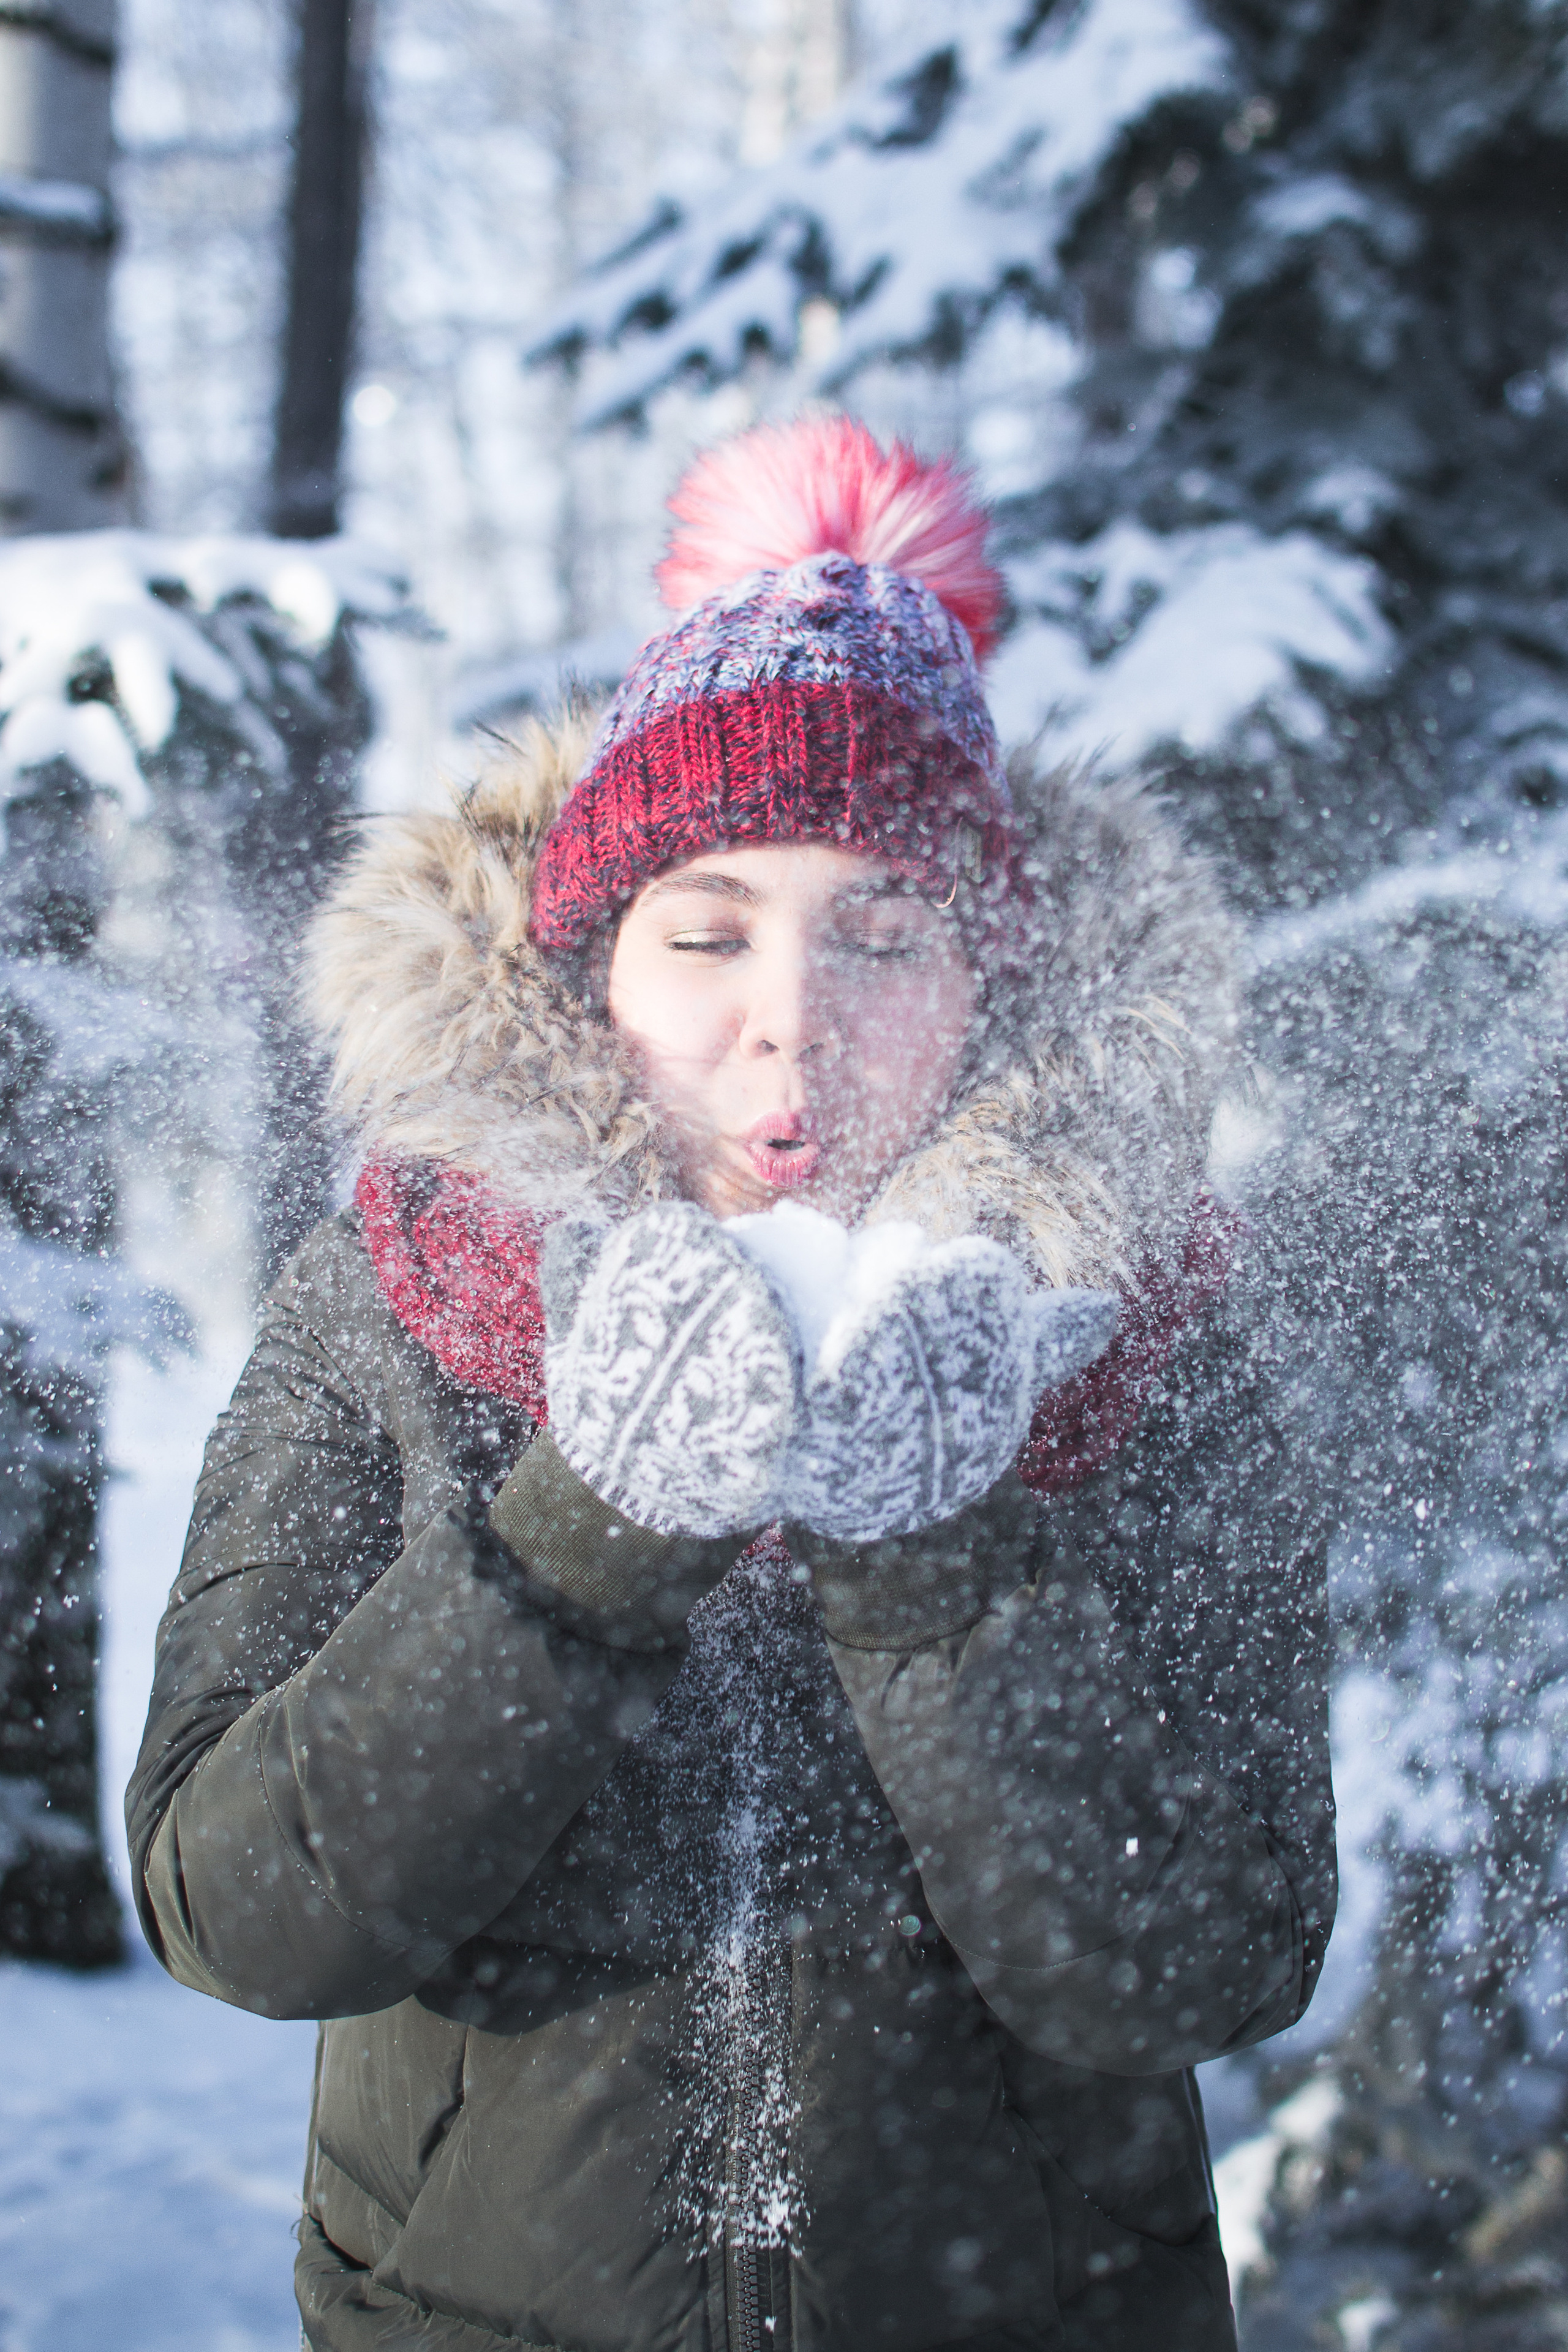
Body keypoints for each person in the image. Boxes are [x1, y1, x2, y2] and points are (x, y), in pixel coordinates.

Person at [126, 415, 1336, 2352]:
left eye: (886, 928)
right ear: (596, 964)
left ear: (991, 975)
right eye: (709, 929)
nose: (795, 1013)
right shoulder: (401, 1293)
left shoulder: (1145, 1333)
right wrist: (592, 1518)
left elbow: (1205, 1967)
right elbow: (244, 1914)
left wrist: (931, 1548)